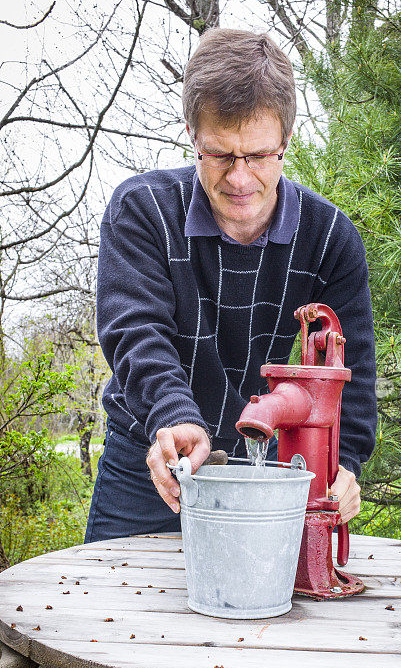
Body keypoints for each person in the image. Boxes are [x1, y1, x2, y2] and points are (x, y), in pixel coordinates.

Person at [85, 29, 377, 544]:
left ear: (286, 142)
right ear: (195, 138)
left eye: (259, 156)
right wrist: (174, 416)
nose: (239, 179)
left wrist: (343, 463)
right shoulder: (142, 211)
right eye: (219, 155)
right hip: (151, 463)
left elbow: (349, 380)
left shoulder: (331, 238)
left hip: (262, 474)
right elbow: (136, 332)